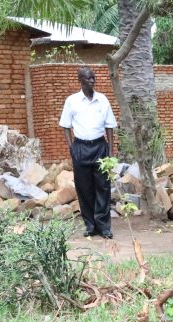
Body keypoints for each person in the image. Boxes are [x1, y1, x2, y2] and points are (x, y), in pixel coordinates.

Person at [59, 67, 117, 239]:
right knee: (84, 188)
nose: (92, 81)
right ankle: (90, 225)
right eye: (88, 78)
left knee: (103, 186)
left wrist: (111, 151)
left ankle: (103, 226)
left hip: (100, 147)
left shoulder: (102, 99)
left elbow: (110, 126)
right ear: (80, 80)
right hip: (81, 148)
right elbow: (65, 126)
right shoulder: (72, 101)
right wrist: (72, 148)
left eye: (93, 78)